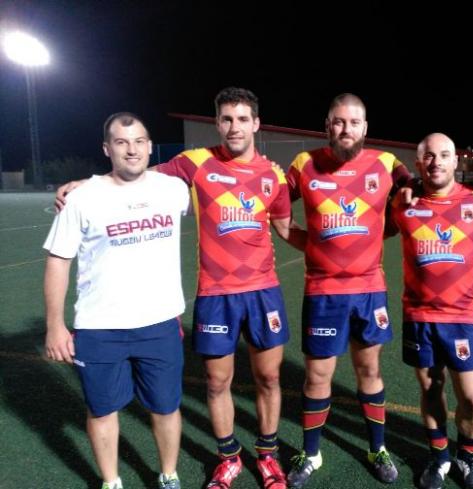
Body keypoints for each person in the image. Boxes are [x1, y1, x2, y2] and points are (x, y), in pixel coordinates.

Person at [54, 87, 304, 489]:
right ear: (217, 122)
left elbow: (285, 227)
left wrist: (332, 248)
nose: (234, 127)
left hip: (263, 291)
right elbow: (135, 175)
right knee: (217, 383)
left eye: (242, 119)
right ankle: (227, 458)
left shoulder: (273, 174)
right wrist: (85, 183)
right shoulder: (195, 163)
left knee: (270, 379)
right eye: (226, 118)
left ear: (256, 123)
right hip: (215, 295)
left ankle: (268, 456)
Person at [44, 112, 190, 489]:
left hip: (159, 323)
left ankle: (168, 474)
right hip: (99, 327)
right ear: (107, 148)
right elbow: (59, 260)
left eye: (139, 141)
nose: (132, 149)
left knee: (166, 406)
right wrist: (55, 325)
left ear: (150, 146)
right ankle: (112, 481)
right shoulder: (83, 198)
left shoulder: (172, 189)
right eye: (122, 142)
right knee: (102, 408)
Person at [285, 93, 411, 487]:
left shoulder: (386, 164)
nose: (345, 129)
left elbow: (415, 192)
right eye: (338, 122)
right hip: (322, 291)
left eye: (353, 122)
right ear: (327, 126)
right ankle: (311, 453)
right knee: (317, 376)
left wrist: (385, 230)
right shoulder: (305, 165)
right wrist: (310, 243)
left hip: (369, 290)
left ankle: (377, 447)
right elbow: (274, 207)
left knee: (369, 370)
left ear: (365, 128)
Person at [388, 133, 473, 489]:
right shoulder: (402, 205)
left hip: (464, 318)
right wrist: (405, 185)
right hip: (419, 318)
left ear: (456, 161)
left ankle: (469, 458)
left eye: (444, 155)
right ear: (419, 163)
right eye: (429, 157)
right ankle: (440, 458)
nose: (437, 162)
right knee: (431, 391)